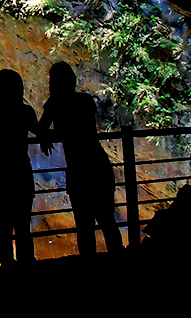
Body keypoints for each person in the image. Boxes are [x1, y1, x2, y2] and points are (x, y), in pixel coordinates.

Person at [38, 61, 124, 256]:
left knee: (84, 228)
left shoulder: (54, 104)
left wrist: (48, 136)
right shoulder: (85, 101)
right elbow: (81, 129)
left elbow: (43, 128)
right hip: (98, 165)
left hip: (79, 171)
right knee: (108, 222)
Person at [0, 69, 39, 266]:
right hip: (21, 174)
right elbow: (39, 131)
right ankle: (26, 265)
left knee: (3, 231)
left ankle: (8, 267)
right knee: (23, 228)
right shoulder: (25, 111)